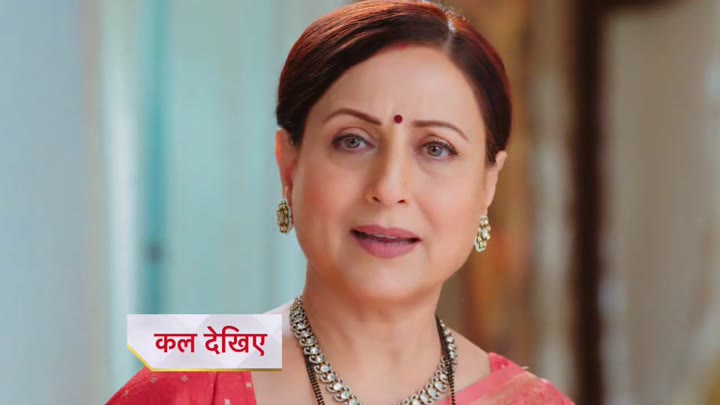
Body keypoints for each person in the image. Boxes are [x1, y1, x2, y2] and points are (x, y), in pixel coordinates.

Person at [108, 0, 573, 403]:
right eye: (352, 141)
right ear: (289, 166)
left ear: (488, 184)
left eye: (436, 148)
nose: (389, 187)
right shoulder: (190, 383)